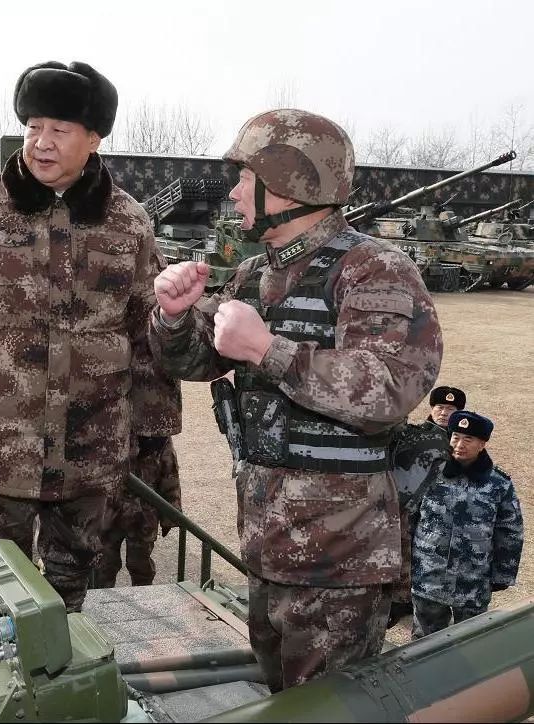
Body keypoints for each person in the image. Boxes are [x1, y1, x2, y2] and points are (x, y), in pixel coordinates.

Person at [148, 109, 443, 690]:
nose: (234, 193)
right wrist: (174, 317)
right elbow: (194, 361)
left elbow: (391, 386)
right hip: (267, 542)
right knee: (279, 694)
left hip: (339, 560)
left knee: (329, 707)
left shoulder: (374, 270)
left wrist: (268, 350)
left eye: (245, 178)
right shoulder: (256, 274)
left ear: (289, 184)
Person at [0, 60, 181, 612]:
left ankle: (66, 661)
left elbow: (145, 325)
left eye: (59, 129)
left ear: (94, 139)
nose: (42, 142)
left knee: (74, 584)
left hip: (91, 443)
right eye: (33, 127)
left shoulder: (128, 221)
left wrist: (154, 423)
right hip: (2, 438)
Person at [411, 411, 524, 639]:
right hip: (429, 576)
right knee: (423, 646)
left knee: (472, 642)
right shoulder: (430, 473)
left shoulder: (498, 483)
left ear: (482, 444)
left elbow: (510, 530)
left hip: (472, 581)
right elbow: (408, 518)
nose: (459, 445)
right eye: (455, 437)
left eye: (468, 439)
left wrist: (503, 575)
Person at [386, 383, 465, 625]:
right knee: (401, 551)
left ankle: (419, 600)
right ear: (431, 408)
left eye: (451, 409)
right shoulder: (414, 434)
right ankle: (399, 601)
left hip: (437, 510)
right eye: (440, 407)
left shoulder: (461, 443)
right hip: (406, 504)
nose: (444, 412)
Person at [95, 435, 180, 587]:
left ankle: (143, 596)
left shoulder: (156, 433)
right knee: (103, 565)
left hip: (143, 513)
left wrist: (170, 515)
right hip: (109, 510)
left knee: (141, 566)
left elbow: (169, 471)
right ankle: (100, 598)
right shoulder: (106, 426)